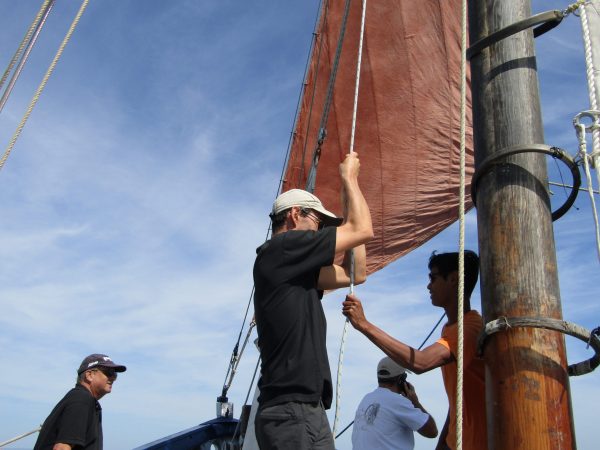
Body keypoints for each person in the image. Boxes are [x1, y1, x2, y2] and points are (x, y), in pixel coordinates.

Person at [253, 152, 373, 450]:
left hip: (303, 410)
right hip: (291, 412)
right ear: (295, 215)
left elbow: (355, 273)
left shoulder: (293, 269)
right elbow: (362, 230)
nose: (321, 231)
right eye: (318, 222)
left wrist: (348, 206)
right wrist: (349, 180)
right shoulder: (281, 248)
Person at [342, 251, 487, 450]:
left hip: (477, 442)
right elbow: (457, 403)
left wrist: (363, 324)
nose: (429, 285)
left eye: (433, 278)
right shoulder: (451, 329)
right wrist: (444, 443)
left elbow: (421, 362)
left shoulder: (469, 330)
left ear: (453, 279)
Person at [34, 353, 127, 450]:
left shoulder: (85, 400)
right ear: (89, 375)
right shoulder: (81, 399)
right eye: (109, 373)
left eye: (114, 374)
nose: (113, 378)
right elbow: (61, 448)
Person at [352, 356, 437, 450]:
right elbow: (432, 431)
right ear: (402, 380)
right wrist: (415, 402)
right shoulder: (398, 402)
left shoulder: (366, 399)